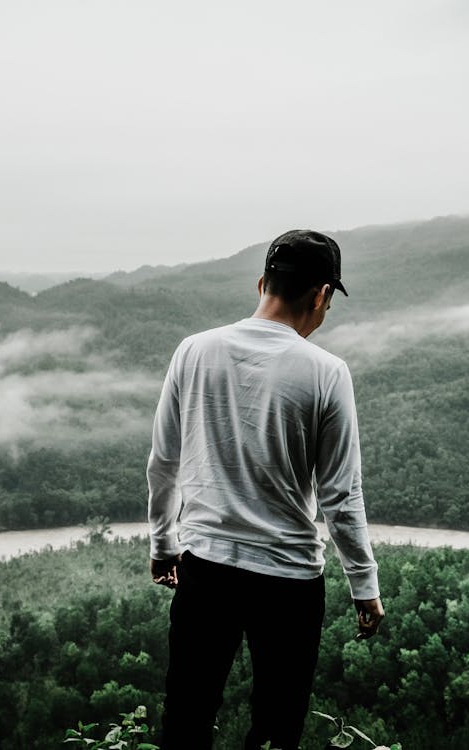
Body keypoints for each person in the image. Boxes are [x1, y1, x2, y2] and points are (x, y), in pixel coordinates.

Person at [147, 229, 384, 749]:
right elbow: (340, 496)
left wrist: (164, 546)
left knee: (186, 716)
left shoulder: (194, 350)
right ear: (322, 295)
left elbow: (164, 462)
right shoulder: (327, 372)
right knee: (277, 728)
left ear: (262, 283)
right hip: (289, 580)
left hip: (205, 567)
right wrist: (364, 585)